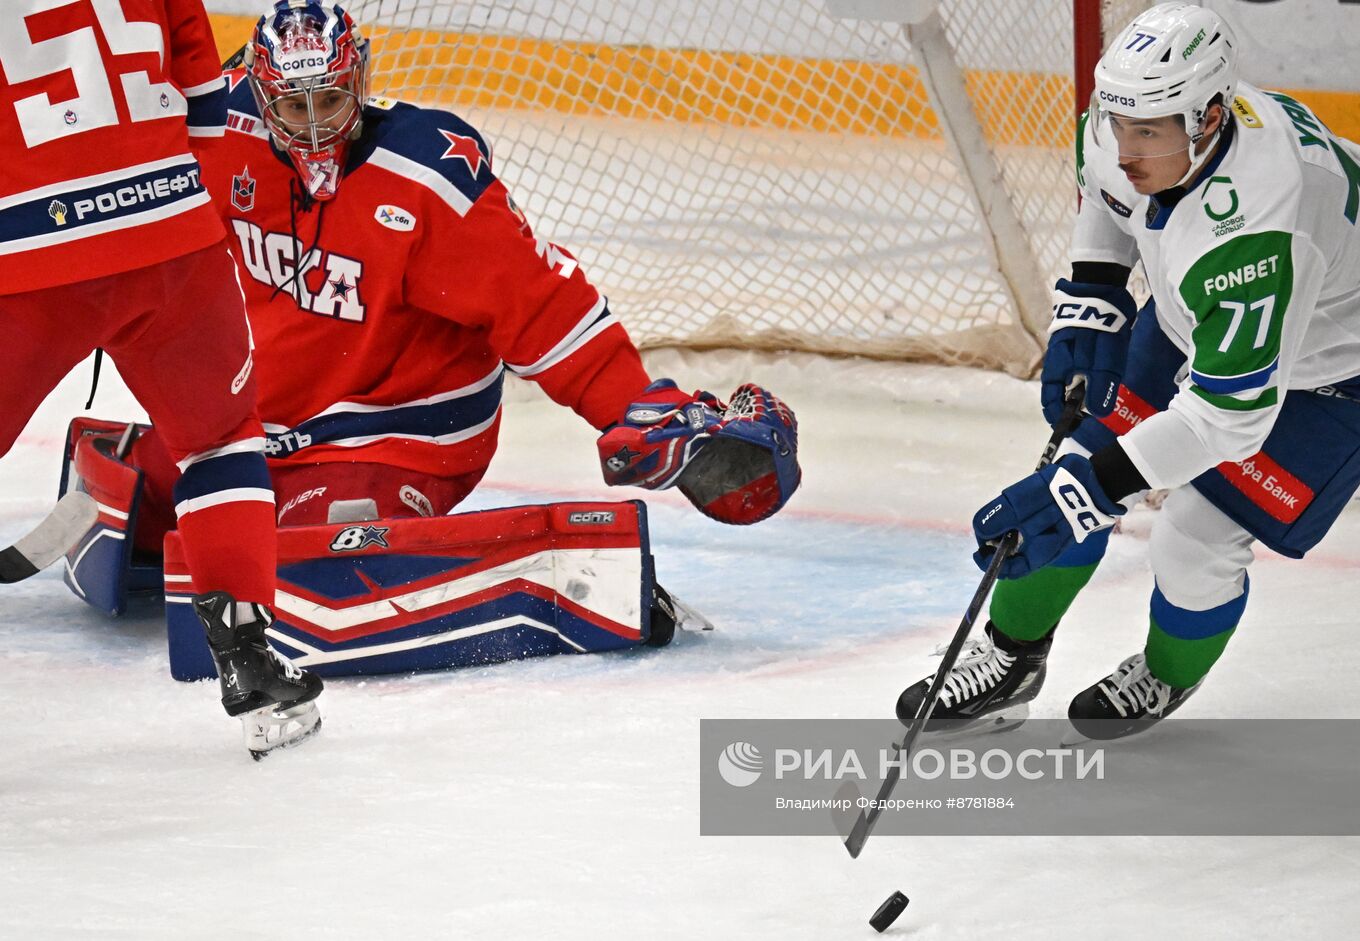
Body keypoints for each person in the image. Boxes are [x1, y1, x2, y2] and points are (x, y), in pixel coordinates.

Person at [67, 1, 798, 667]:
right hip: (270, 420)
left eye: (331, 99)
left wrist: (638, 406)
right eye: (294, 105)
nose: (316, 126)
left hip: (401, 432)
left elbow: (544, 305)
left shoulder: (427, 181)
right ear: (259, 97)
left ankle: (540, 577)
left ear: (362, 81)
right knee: (145, 504)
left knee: (295, 560)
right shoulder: (218, 138)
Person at [896, 1, 1360, 741]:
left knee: (1194, 536)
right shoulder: (1132, 125)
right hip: (1202, 314)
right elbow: (1111, 195)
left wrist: (1089, 490)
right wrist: (1096, 291)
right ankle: (1009, 662)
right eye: (1116, 122)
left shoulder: (1256, 226)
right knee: (1077, 459)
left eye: (1148, 132)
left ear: (1209, 118)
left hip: (1347, 357)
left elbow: (1226, 421)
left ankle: (1169, 669)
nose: (1125, 147)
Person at [1, 0, 322, 756]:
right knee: (221, 441)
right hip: (173, 233)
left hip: (25, 252)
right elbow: (206, 98)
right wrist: (172, 222)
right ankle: (247, 658)